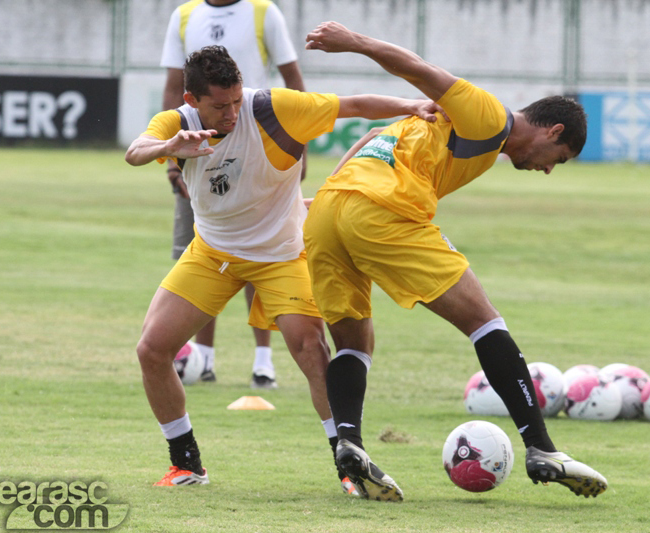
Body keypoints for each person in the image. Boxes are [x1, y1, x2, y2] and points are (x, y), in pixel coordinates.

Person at [302, 21, 609, 501]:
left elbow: (378, 133)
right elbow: (420, 70)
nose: (549, 168)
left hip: (328, 212)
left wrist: (327, 192)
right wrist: (353, 42)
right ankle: (542, 449)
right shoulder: (490, 117)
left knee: (353, 342)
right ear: (553, 130)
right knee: (485, 322)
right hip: (383, 211)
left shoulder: (464, 132)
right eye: (559, 156)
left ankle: (349, 445)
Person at [125, 45, 445, 487]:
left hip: (282, 254)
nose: (231, 113)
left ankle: (349, 465)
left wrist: (412, 105)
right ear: (192, 100)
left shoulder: (272, 109)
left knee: (311, 349)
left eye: (236, 100)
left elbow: (351, 105)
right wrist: (169, 146)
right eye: (219, 106)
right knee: (151, 350)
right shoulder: (177, 123)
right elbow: (136, 151)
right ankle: (186, 463)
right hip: (213, 254)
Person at [161, 0, 306, 387]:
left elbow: (292, 76)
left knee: (261, 250)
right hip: (199, 153)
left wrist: (298, 144)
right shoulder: (184, 15)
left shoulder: (264, 12)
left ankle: (263, 362)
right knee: (200, 255)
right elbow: (173, 86)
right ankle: (203, 358)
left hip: (255, 151)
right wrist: (173, 158)